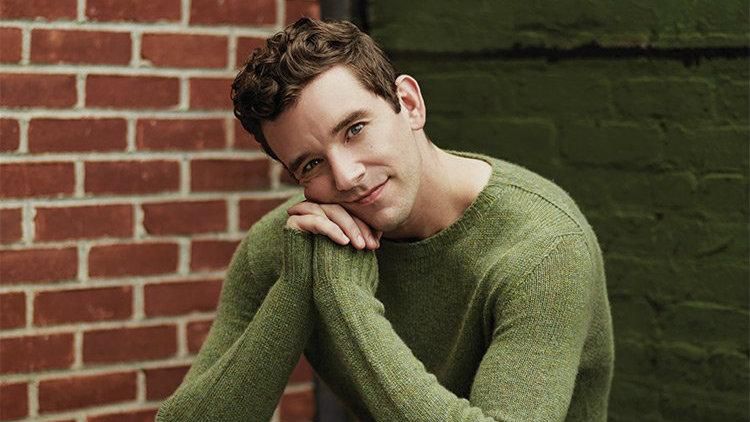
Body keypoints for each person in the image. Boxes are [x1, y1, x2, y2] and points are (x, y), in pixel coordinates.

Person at [156, 17, 614, 422]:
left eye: (355, 129)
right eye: (311, 164)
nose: (347, 176)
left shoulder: (542, 248)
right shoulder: (292, 246)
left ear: (409, 103)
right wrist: (296, 288)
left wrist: (343, 299)